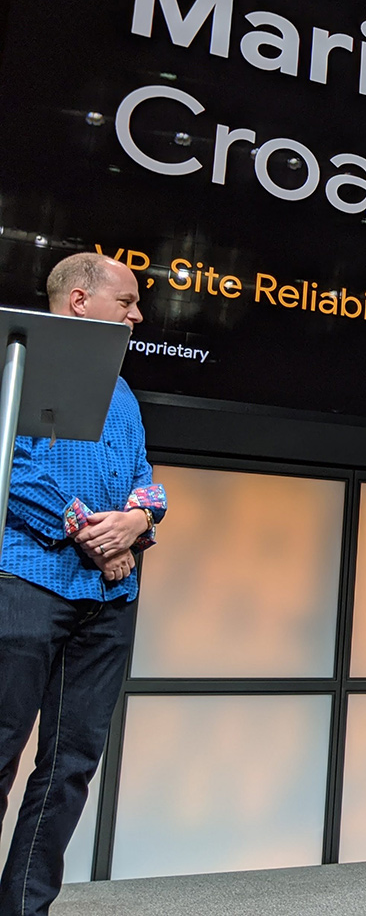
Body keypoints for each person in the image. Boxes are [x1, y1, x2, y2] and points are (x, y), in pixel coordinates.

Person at [0, 253, 166, 916]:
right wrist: (96, 537)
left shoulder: (122, 392)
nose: (138, 314)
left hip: (109, 601)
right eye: (126, 301)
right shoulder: (16, 363)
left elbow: (146, 479)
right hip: (27, 584)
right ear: (78, 301)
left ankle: (25, 906)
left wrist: (134, 520)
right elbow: (16, 471)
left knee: (70, 766)